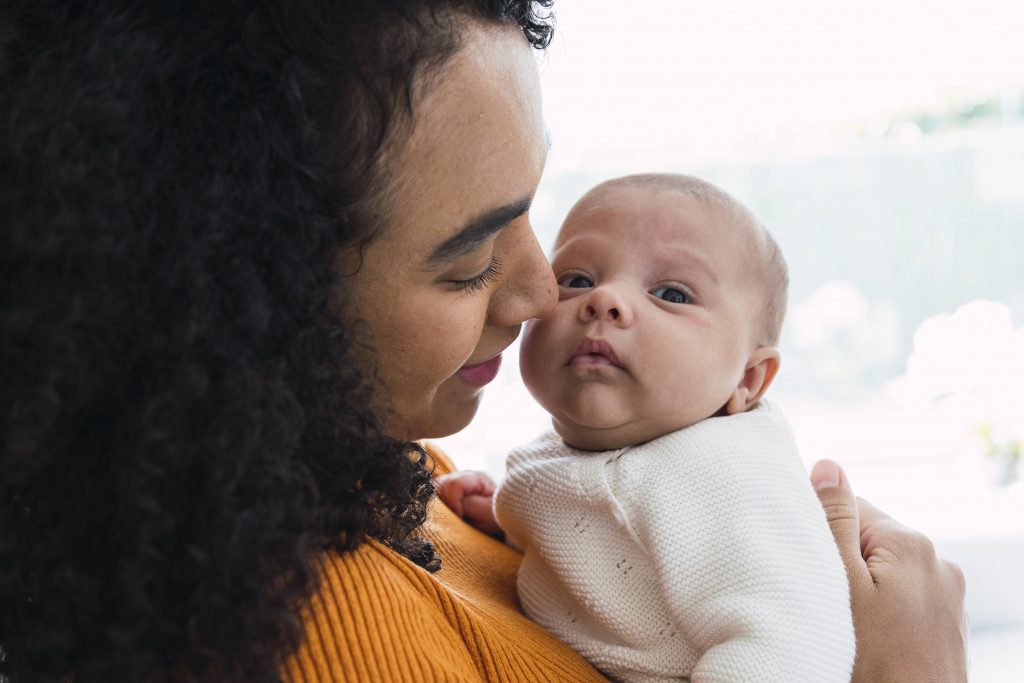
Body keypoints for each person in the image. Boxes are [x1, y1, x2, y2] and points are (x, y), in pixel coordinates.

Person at [0, 1, 968, 682]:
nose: (545, 290)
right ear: (246, 293)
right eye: (466, 261)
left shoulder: (372, 460)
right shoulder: (303, 626)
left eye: (528, 214)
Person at [438, 173, 856, 682]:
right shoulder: (611, 451)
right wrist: (507, 527)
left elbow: (796, 644)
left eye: (671, 293)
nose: (605, 299)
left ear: (747, 378)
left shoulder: (727, 474)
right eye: (575, 280)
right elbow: (613, 563)